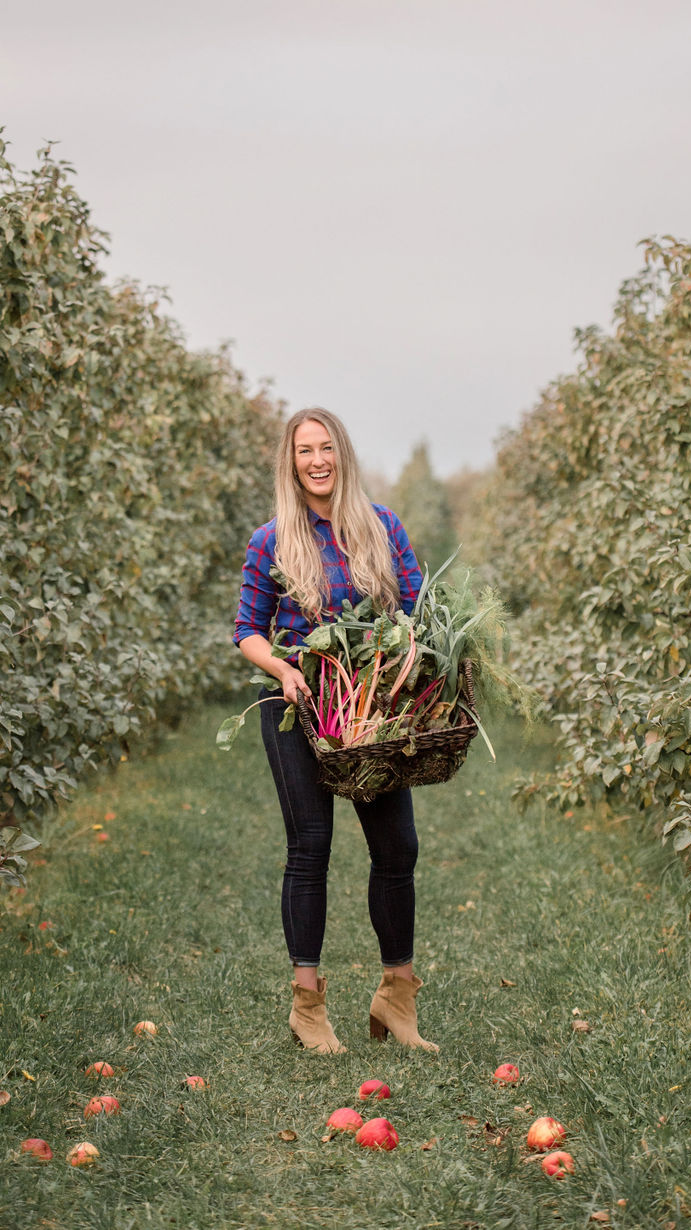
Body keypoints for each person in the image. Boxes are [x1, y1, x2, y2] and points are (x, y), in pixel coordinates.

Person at [234, 405, 438, 1055]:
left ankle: (396, 997)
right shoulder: (271, 540)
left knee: (396, 847)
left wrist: (406, 659)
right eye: (304, 451)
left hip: (367, 709)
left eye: (326, 448)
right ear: (290, 464)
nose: (317, 460)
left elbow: (411, 610)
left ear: (342, 455)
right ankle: (308, 1006)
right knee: (310, 847)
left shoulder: (382, 528)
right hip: (297, 704)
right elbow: (247, 631)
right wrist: (282, 670)